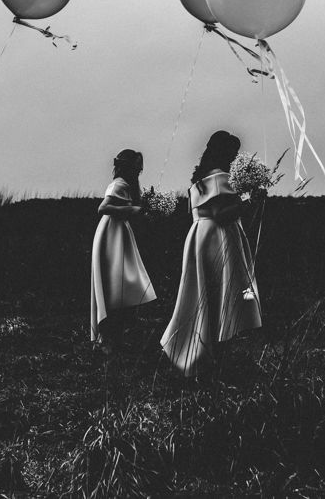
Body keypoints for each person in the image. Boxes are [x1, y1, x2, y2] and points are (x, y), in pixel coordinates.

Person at [161, 131, 261, 376]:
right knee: (220, 295)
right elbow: (220, 214)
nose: (234, 158)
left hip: (198, 237)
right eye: (232, 153)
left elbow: (195, 211)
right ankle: (213, 355)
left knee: (200, 295)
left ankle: (194, 351)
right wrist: (249, 201)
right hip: (219, 239)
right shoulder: (220, 177)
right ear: (224, 152)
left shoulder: (199, 180)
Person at [91, 149, 156, 350]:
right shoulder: (119, 184)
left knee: (122, 282)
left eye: (140, 169)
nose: (138, 172)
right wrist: (130, 210)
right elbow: (103, 208)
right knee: (117, 281)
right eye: (136, 168)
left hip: (119, 234)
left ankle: (114, 337)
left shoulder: (127, 186)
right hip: (112, 235)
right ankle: (110, 338)